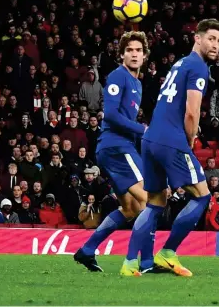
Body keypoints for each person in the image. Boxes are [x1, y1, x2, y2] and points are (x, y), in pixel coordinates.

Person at [122, 19, 219, 276]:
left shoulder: (179, 63)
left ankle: (132, 264)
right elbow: (192, 113)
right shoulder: (198, 67)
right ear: (197, 39)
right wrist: (189, 140)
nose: (215, 45)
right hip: (171, 139)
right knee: (202, 196)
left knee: (155, 203)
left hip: (151, 138)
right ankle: (168, 252)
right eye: (211, 38)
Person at [74, 31, 149, 272]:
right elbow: (113, 115)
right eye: (130, 50)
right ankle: (145, 262)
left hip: (116, 148)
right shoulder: (119, 76)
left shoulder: (137, 83)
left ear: (145, 55)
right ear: (122, 55)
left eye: (138, 50)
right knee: (151, 201)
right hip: (116, 147)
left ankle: (86, 250)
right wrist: (142, 129)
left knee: (131, 209)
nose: (134, 54)